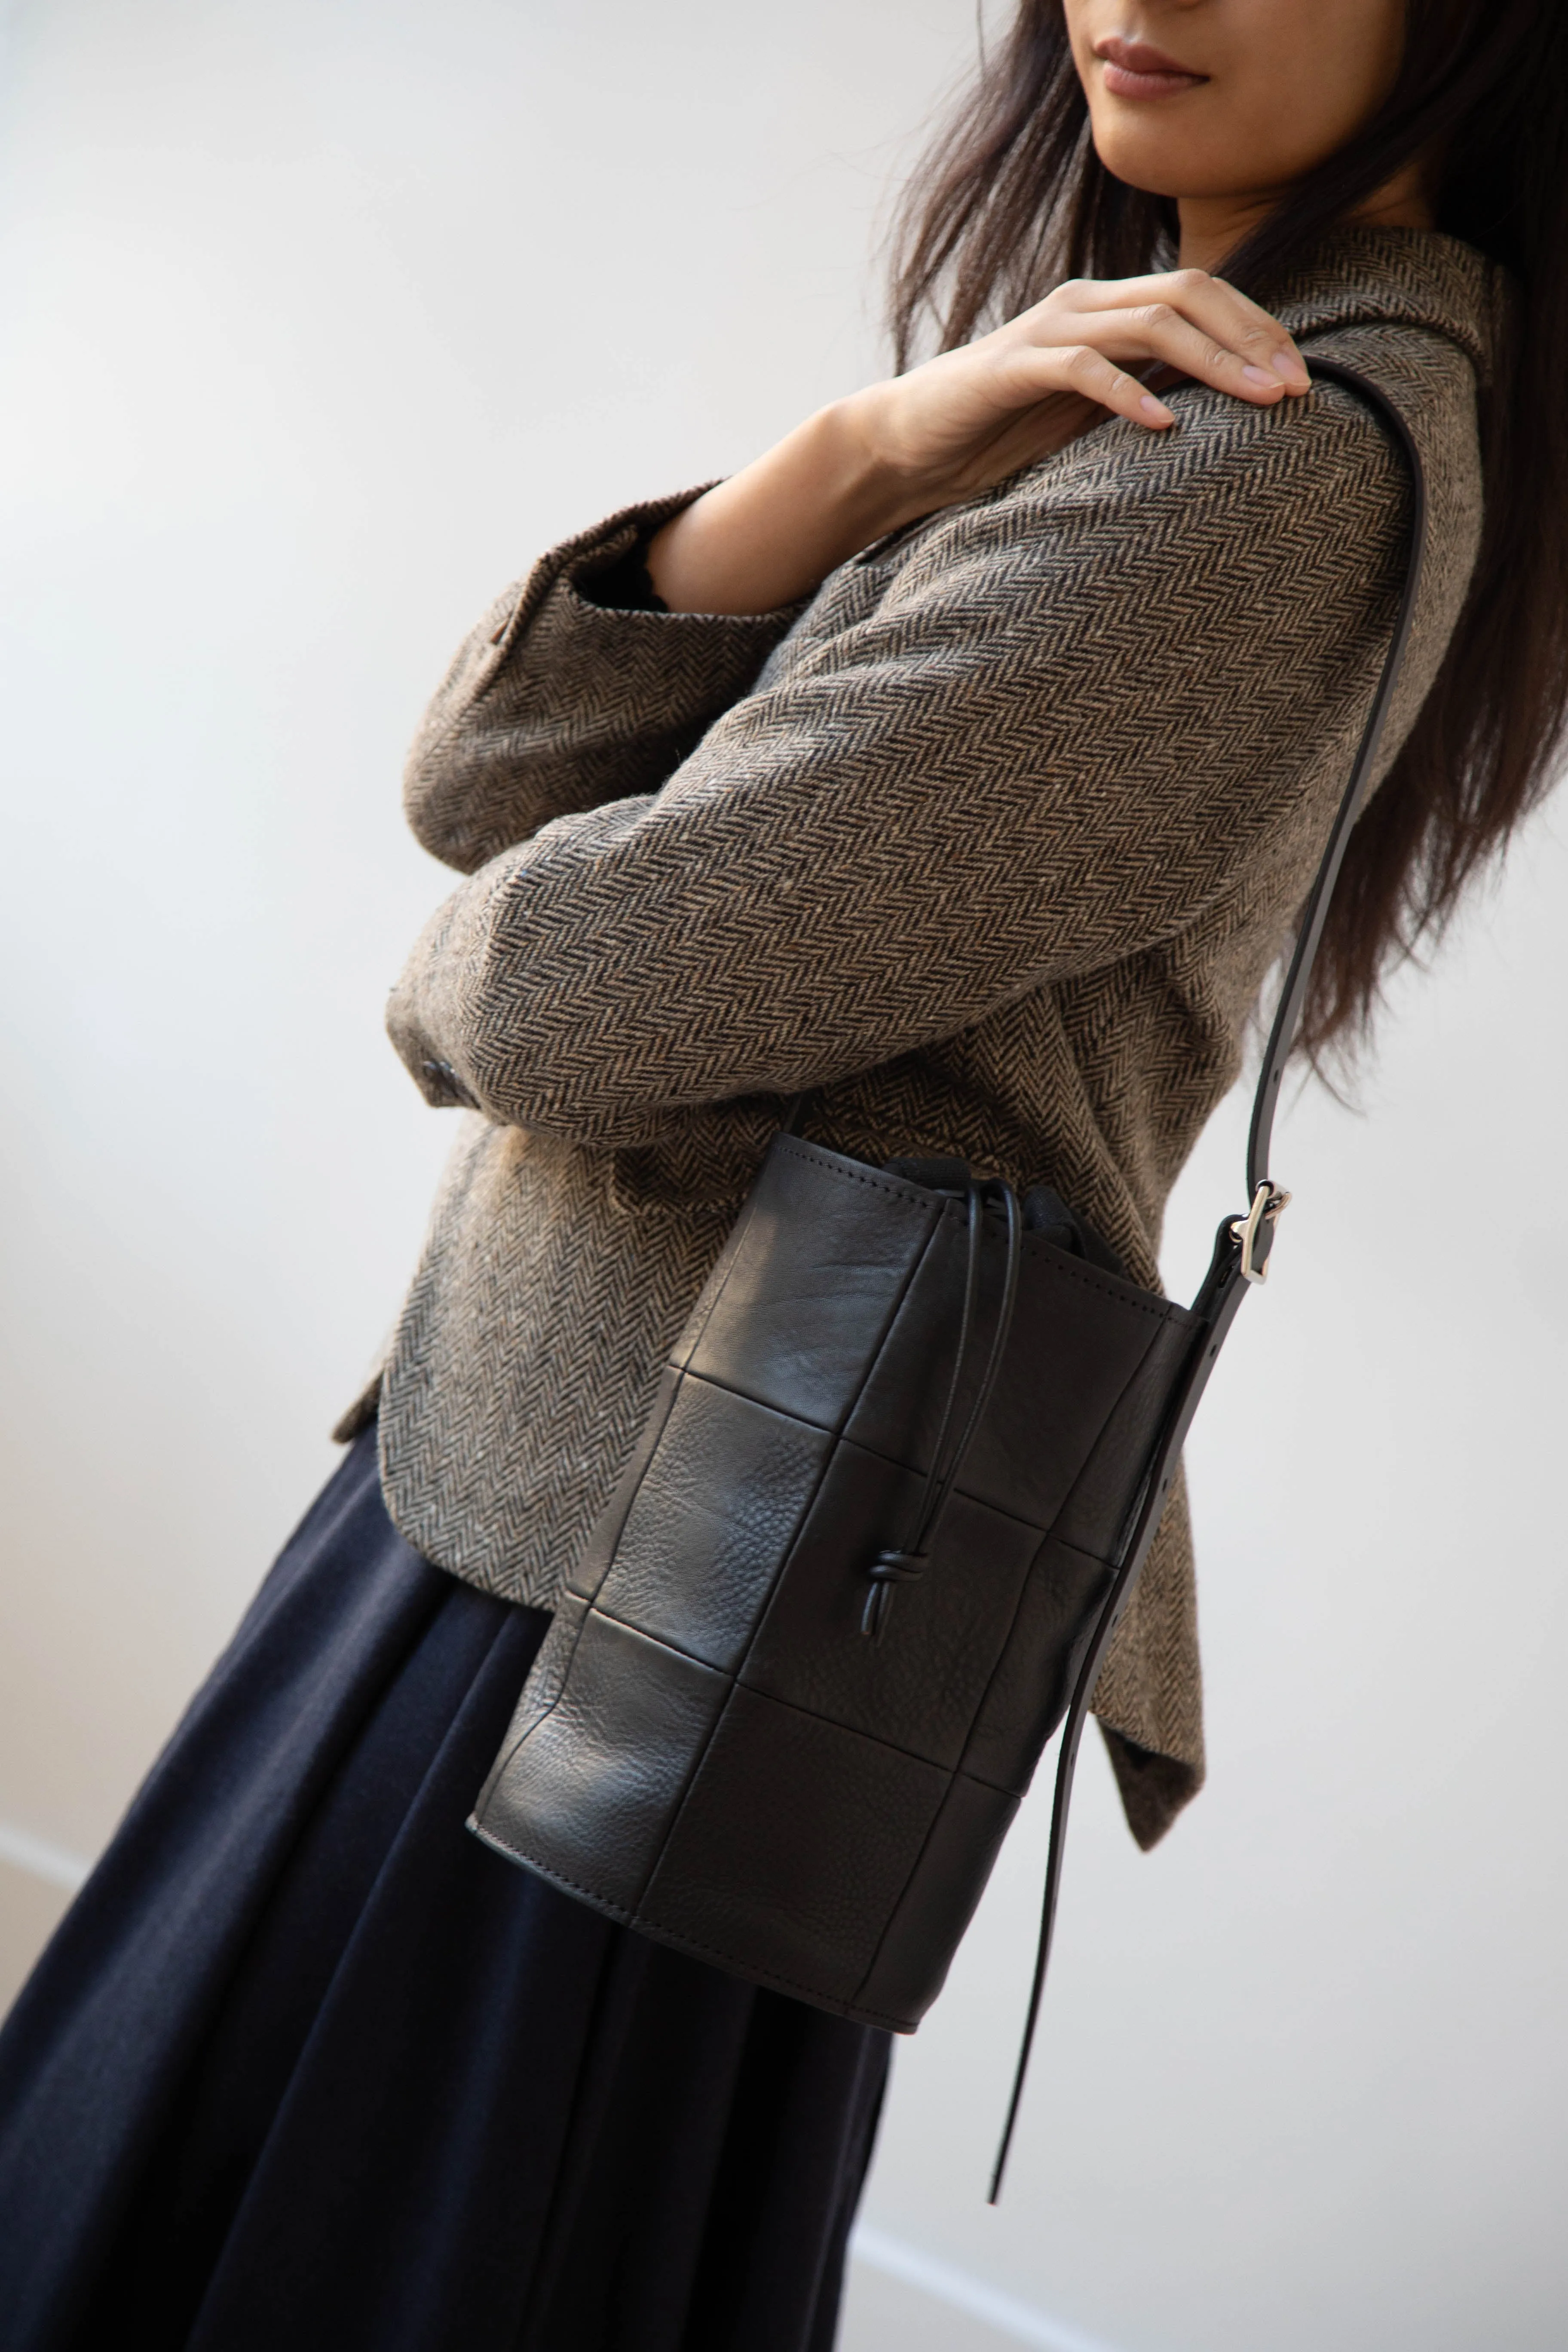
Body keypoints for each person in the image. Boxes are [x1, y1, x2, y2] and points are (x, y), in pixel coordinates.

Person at [2, 3, 1563, 2346]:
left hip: (654, 1589)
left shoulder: (1276, 456)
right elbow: (492, 768)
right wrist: (859, 455)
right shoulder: (1170, 378)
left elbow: (563, 996)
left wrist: (460, 967)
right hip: (614, 1519)